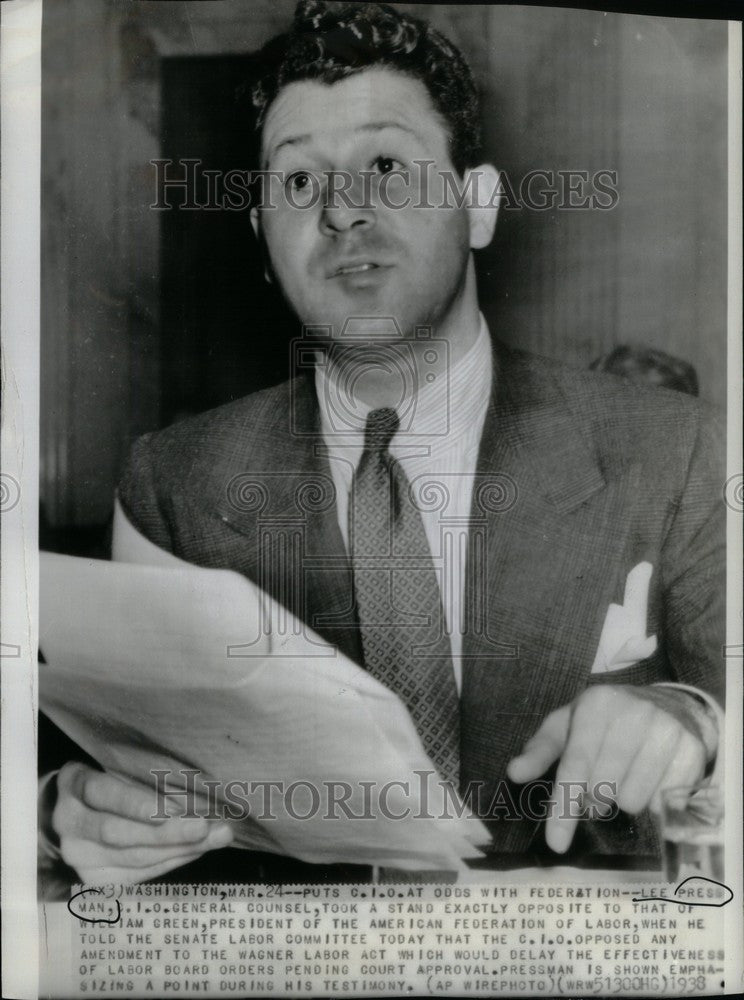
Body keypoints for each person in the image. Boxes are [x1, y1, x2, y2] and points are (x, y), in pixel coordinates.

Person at [41, 0, 724, 887]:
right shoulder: (174, 482)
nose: (341, 211)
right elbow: (82, 761)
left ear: (478, 207)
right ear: (260, 235)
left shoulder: (677, 452)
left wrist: (698, 723)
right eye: (297, 181)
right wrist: (65, 809)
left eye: (389, 167)